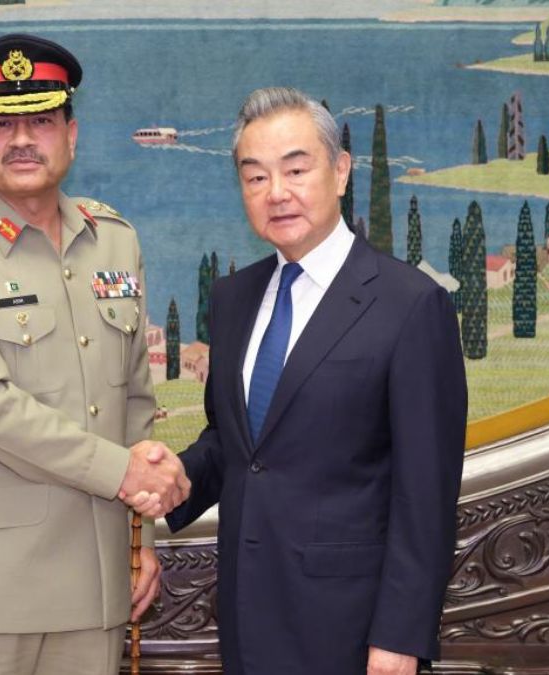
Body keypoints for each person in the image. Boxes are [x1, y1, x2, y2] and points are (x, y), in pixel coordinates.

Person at [0, 33, 189, 675]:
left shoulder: (115, 242)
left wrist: (141, 541)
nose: (22, 140)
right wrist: (127, 476)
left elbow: (135, 400)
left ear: (71, 136)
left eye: (42, 121)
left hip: (96, 581)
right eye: (0, 124)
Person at [161, 87, 467, 675]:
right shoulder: (234, 298)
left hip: (351, 632)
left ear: (341, 171)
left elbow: (424, 491)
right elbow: (236, 442)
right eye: (255, 178)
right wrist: (180, 477)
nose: (277, 193)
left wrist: (400, 638)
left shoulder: (409, 304)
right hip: (248, 616)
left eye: (296, 169)